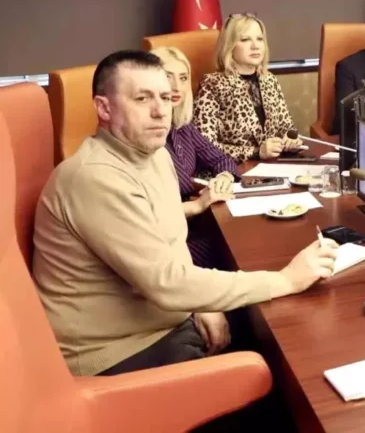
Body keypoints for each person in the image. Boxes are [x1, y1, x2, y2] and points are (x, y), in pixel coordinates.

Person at [31, 50, 338, 377]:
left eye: (165, 97)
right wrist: (286, 279)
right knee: (278, 354)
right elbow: (167, 283)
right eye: (142, 98)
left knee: (282, 329)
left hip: (159, 319)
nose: (160, 111)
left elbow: (171, 245)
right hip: (113, 354)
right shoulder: (94, 177)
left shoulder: (155, 155)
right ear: (104, 108)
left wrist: (199, 303)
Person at [151, 46, 240, 268]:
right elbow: (150, 215)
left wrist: (225, 177)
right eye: (168, 77)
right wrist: (199, 204)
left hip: (192, 226)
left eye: (183, 78)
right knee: (235, 252)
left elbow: (222, 159)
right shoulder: (147, 137)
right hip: (167, 243)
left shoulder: (183, 129)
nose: (176, 86)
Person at [194, 13, 301, 163]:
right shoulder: (212, 85)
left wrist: (291, 139)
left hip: (272, 167)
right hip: (232, 170)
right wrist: (256, 152)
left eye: (260, 39)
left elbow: (286, 126)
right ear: (229, 46)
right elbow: (204, 147)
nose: (255, 46)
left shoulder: (269, 79)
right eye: (245, 39)